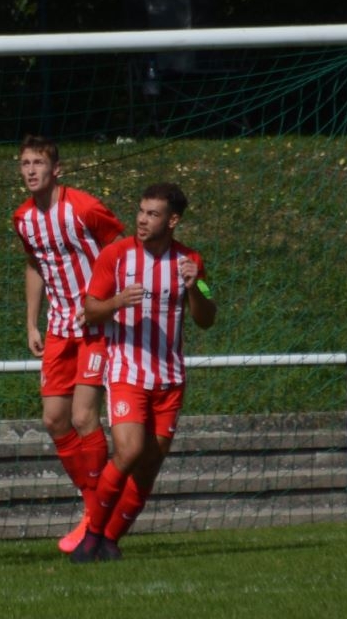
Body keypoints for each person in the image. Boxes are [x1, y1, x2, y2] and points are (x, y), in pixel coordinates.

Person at [70, 183, 217, 563]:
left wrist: (195, 287)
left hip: (170, 378)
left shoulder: (191, 261)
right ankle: (91, 535)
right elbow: (90, 308)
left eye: (153, 214)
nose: (142, 219)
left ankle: (109, 541)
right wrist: (117, 302)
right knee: (130, 450)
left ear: (173, 220)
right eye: (141, 211)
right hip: (127, 372)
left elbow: (208, 313)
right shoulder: (116, 256)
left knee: (150, 465)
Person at [13, 136, 126, 553]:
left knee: (83, 417)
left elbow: (122, 250)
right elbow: (34, 265)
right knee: (54, 419)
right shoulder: (23, 218)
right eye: (25, 163)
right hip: (58, 329)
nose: (30, 170)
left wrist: (106, 304)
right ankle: (93, 505)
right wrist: (31, 322)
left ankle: (95, 518)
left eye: (38, 162)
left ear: (56, 169)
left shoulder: (83, 207)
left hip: (94, 326)